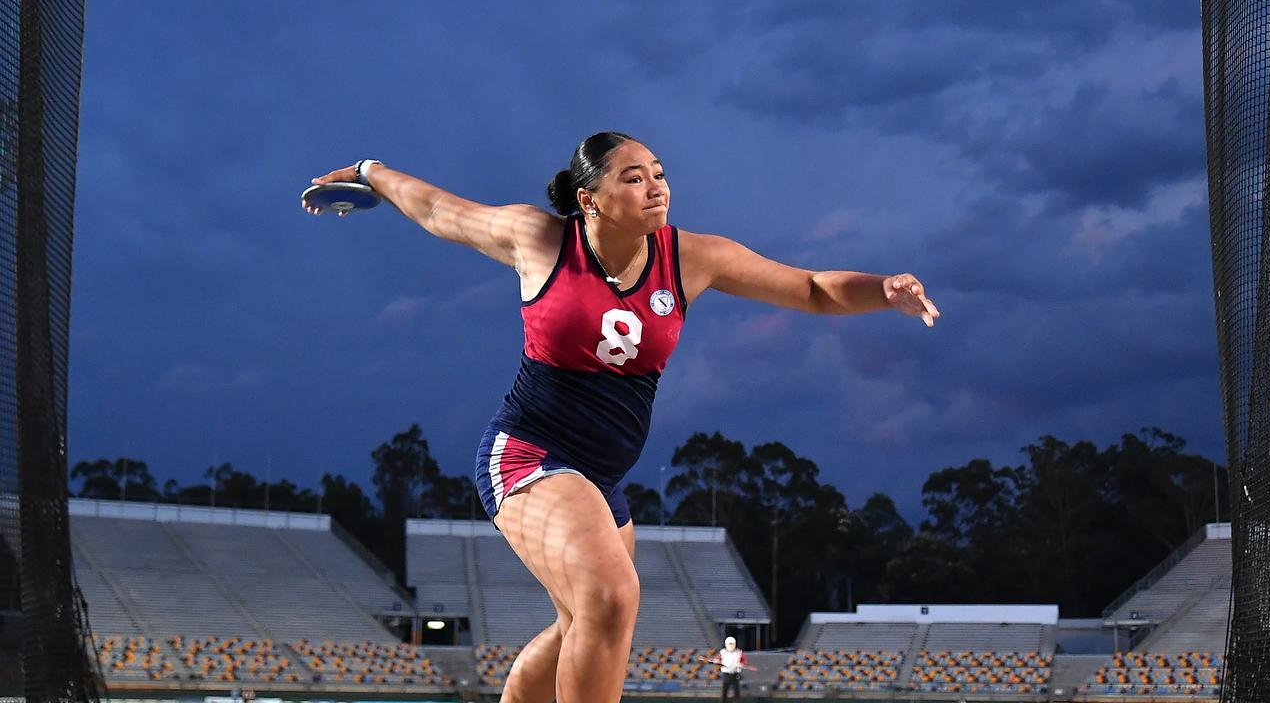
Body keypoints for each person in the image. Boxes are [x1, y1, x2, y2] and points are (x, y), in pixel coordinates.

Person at [305, 131, 940, 703]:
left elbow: (809, 289)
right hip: (529, 455)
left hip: (602, 483)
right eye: (633, 177)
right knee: (611, 598)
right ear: (590, 198)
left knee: (577, 626)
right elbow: (440, 211)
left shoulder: (692, 257)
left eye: (659, 172)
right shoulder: (539, 238)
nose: (654, 185)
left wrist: (882, 290)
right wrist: (371, 170)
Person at [714, 636, 747, 702]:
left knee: (736, 693)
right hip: (726, 674)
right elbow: (717, 659)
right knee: (724, 693)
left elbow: (744, 661)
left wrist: (741, 664)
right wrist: (717, 661)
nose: (731, 646)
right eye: (729, 644)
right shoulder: (722, 652)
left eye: (732, 644)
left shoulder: (739, 652)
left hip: (735, 674)